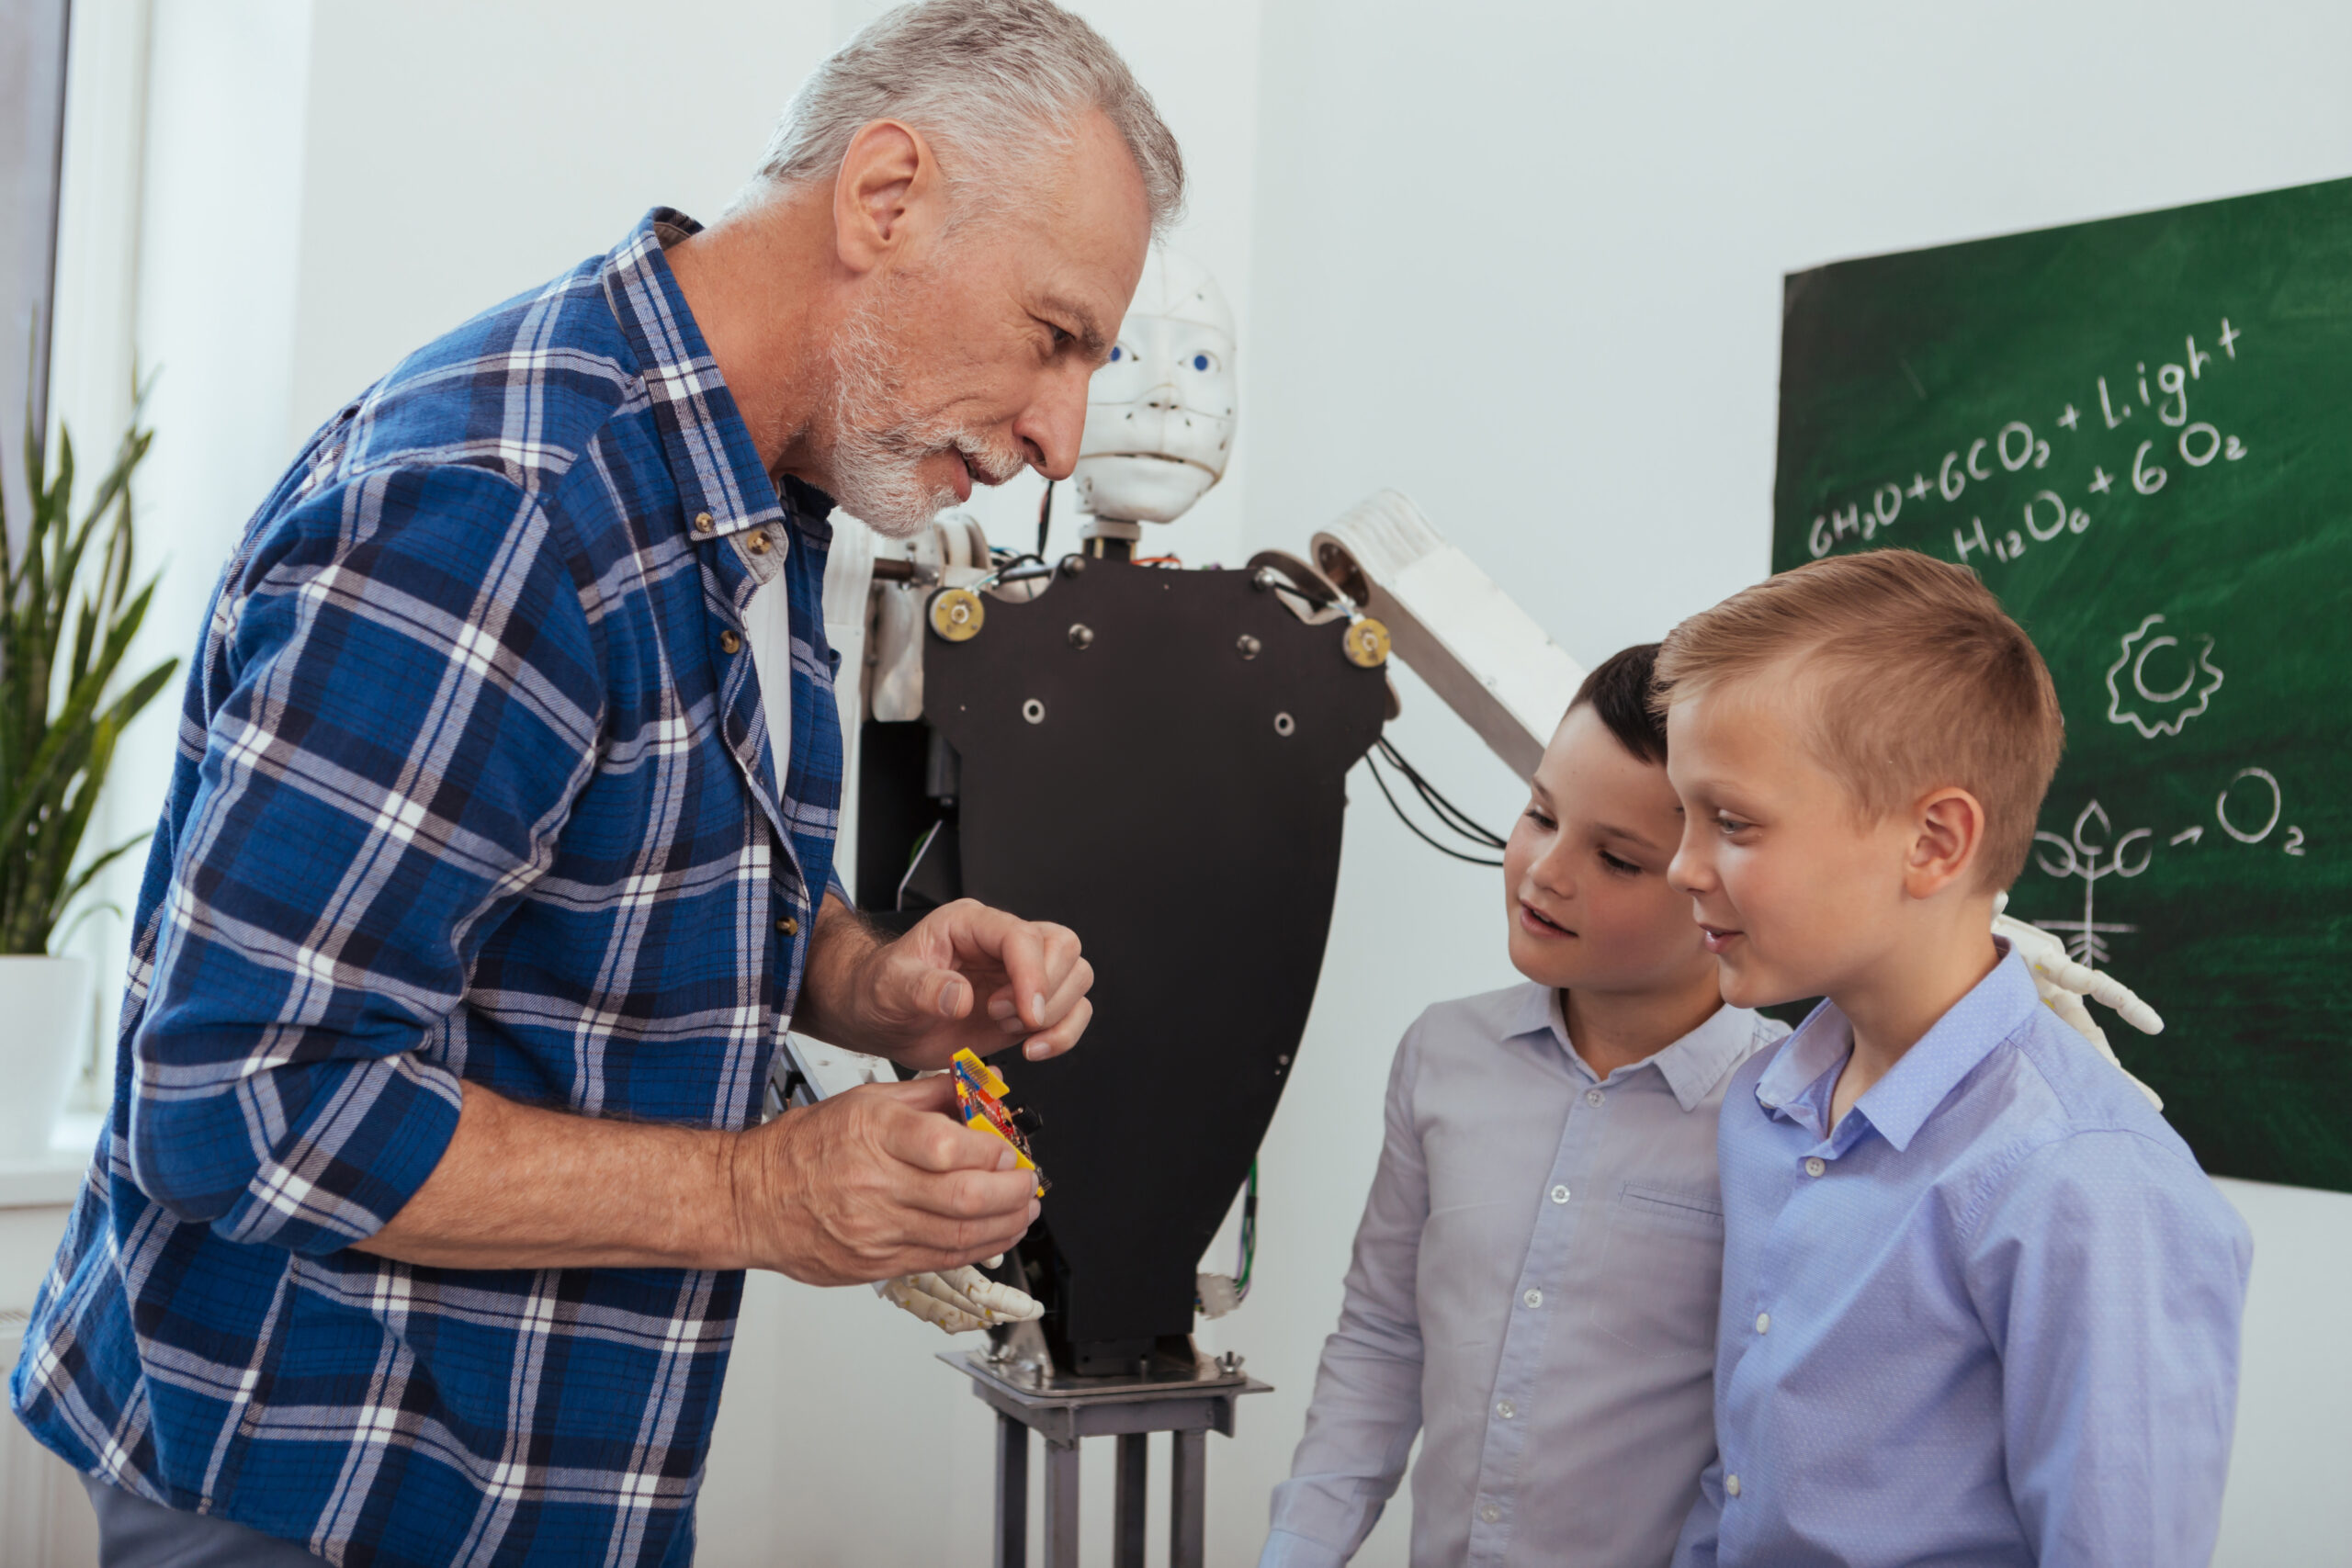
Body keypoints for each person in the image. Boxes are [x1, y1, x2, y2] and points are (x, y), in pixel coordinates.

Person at [7, 4, 1182, 1563]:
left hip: (552, 1483)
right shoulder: (501, 512)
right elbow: (243, 1100)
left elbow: (601, 880)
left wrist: (866, 978)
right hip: (317, 1495)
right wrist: (766, 1194)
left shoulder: (767, 488)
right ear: (885, 195)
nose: (1060, 434)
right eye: (1056, 337)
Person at [1658, 549, 2252, 1567]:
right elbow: (1744, 1478)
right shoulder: (1766, 1107)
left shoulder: (2083, 1181)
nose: (1681, 864)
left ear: (1933, 842)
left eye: (1732, 824)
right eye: (1682, 816)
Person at [1261, 646, 1791, 1568]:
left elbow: (1768, 1439)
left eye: (1617, 860)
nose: (1545, 871)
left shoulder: (1788, 1115)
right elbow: (1385, 1338)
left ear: (1720, 886)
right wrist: (1297, 1548)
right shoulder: (1443, 1055)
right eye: (1540, 813)